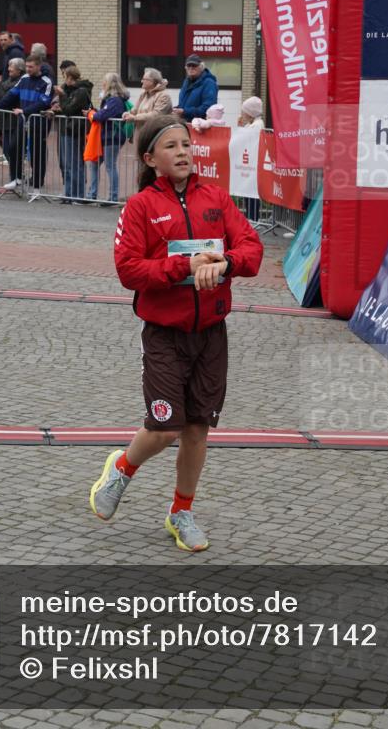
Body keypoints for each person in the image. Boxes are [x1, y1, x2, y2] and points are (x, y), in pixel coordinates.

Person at [89, 115, 263, 551]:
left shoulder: (216, 199)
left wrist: (227, 265)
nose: (183, 152)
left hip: (211, 333)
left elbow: (252, 249)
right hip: (164, 334)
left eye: (186, 144)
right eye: (171, 147)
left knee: (198, 429)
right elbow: (128, 270)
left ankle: (181, 512)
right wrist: (183, 266)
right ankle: (121, 469)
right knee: (166, 427)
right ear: (150, 158)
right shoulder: (141, 207)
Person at [0, 55, 53, 200]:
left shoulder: (46, 82)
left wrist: (25, 111)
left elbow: (44, 102)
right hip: (23, 121)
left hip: (38, 122)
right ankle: (17, 178)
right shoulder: (24, 79)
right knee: (13, 147)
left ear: (39, 66)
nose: (28, 69)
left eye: (31, 67)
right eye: (27, 66)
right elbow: (11, 95)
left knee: (37, 155)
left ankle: (37, 188)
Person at [51, 64, 93, 202]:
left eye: (64, 76)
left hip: (74, 131)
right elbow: (66, 108)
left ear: (70, 77)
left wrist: (62, 97)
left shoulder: (81, 91)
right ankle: (68, 194)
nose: (64, 80)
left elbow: (69, 109)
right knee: (67, 164)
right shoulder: (70, 90)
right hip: (66, 129)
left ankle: (78, 195)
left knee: (75, 164)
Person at [85, 72, 128, 204]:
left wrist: (92, 113)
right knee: (94, 164)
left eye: (104, 81)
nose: (102, 84)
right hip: (105, 137)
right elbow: (103, 113)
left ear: (110, 84)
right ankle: (92, 194)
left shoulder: (114, 100)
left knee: (110, 166)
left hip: (111, 137)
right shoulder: (112, 100)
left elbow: (100, 116)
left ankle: (113, 197)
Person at [0, 57, 25, 172]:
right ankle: (14, 176)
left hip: (13, 120)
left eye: (12, 68)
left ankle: (17, 175)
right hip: (5, 119)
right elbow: (1, 92)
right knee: (6, 147)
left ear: (19, 70)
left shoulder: (19, 82)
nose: (9, 69)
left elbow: (4, 97)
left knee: (13, 149)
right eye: (9, 67)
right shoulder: (9, 80)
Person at [238, 96, 265, 222]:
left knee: (252, 194)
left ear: (250, 112)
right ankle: (250, 217)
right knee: (247, 192)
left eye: (244, 111)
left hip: (253, 164)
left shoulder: (257, 125)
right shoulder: (252, 124)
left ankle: (253, 218)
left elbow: (247, 140)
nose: (242, 113)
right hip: (249, 163)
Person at [173, 54, 218, 121]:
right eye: (189, 65)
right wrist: (176, 109)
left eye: (194, 65)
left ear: (201, 67)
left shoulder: (209, 83)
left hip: (200, 126)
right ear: (185, 67)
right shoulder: (187, 81)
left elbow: (208, 108)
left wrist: (184, 112)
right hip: (185, 124)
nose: (191, 68)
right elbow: (184, 105)